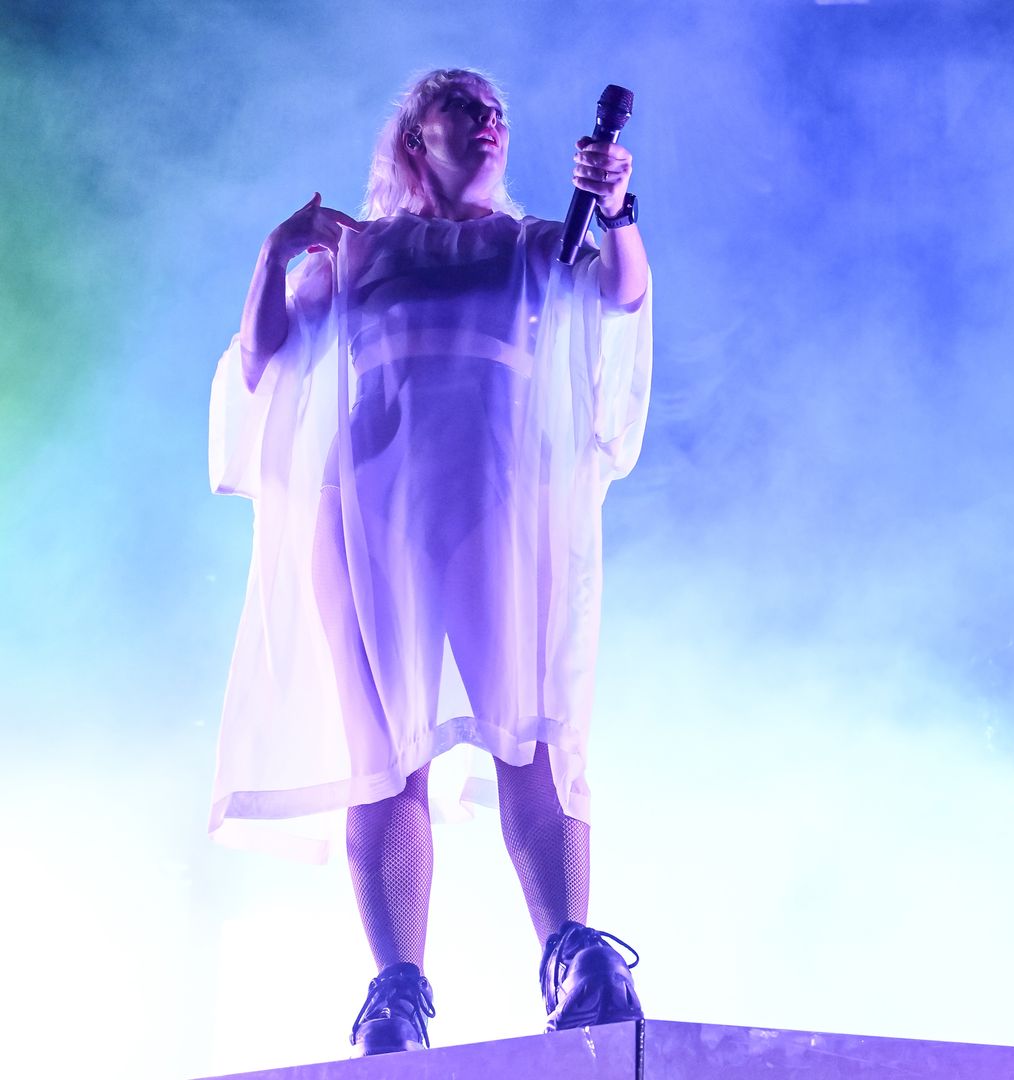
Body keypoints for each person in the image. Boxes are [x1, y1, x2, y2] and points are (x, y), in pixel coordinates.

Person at [208, 68, 654, 1055]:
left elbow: (621, 296)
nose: (488, 120)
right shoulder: (359, 251)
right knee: (385, 757)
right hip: (372, 512)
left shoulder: (539, 245)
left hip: (504, 509)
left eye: (497, 111)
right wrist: (274, 256)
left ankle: (573, 957)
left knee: (533, 737)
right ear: (417, 138)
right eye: (463, 107)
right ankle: (398, 990)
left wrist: (620, 206)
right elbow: (262, 359)